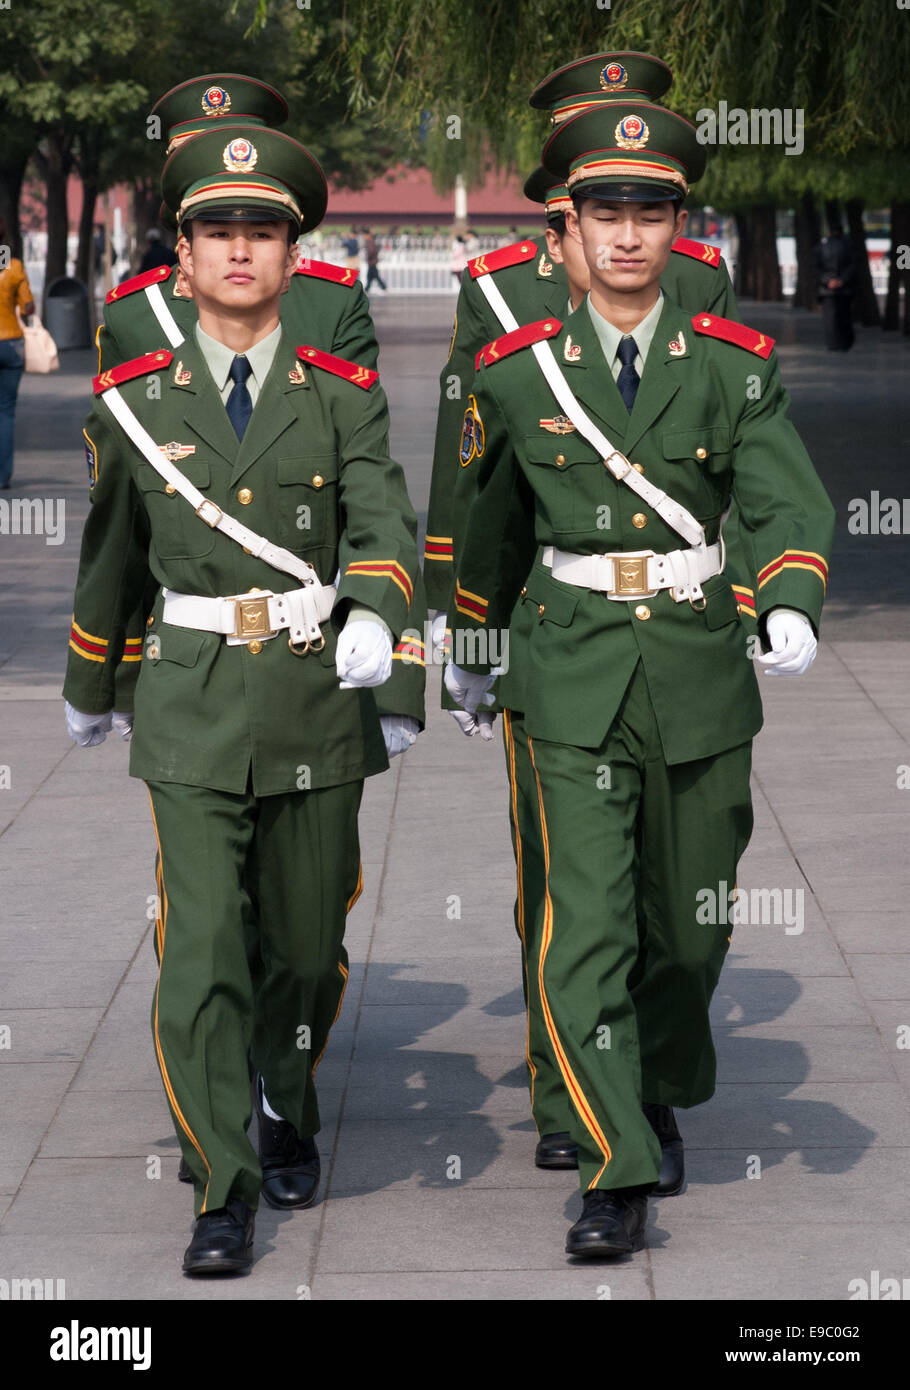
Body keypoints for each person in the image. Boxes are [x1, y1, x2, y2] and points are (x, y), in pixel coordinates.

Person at [446, 96, 834, 1259]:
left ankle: (656, 1073)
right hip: (566, 672)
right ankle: (612, 1160)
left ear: (677, 225)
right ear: (563, 229)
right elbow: (488, 527)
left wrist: (792, 595)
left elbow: (783, 496)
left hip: (697, 667)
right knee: (585, 930)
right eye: (603, 210)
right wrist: (470, 653)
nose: (627, 234)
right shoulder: (516, 373)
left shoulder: (730, 362)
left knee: (689, 925)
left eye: (649, 210)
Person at [63, 123, 421, 1275]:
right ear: (180, 250)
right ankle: (223, 1181)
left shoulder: (341, 391)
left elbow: (381, 514)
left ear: (291, 253)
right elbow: (113, 548)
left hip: (315, 696)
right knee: (203, 941)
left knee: (306, 947)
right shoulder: (133, 395)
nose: (237, 250)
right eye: (216, 229)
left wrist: (379, 615)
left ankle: (283, 1093)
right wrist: (92, 680)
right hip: (191, 699)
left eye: (260, 230)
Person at [426, 52, 747, 1189]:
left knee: (676, 905)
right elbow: (467, 470)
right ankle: (573, 1092)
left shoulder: (698, 281)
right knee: (563, 884)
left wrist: (748, 595)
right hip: (544, 617)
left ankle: (642, 1075)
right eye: (589, 171)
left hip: (673, 627)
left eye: (637, 178)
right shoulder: (497, 293)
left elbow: (727, 451)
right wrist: (463, 630)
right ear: (558, 189)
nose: (616, 214)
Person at [0, 221, 35, 490]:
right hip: (11, 344)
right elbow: (28, 306)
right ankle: (3, 477)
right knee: (6, 412)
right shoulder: (12, 267)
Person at [814, 223, 856, 351]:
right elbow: (852, 266)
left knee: (830, 319)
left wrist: (828, 281)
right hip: (845, 288)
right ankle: (845, 343)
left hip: (827, 290)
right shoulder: (848, 246)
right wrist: (841, 280)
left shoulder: (820, 247)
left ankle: (832, 344)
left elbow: (816, 269)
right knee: (845, 316)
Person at [363, 227, 387, 292]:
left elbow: (371, 251)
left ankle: (383, 287)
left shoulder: (370, 241)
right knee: (371, 276)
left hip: (372, 262)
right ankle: (367, 289)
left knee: (374, 276)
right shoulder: (372, 240)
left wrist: (368, 257)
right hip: (372, 262)